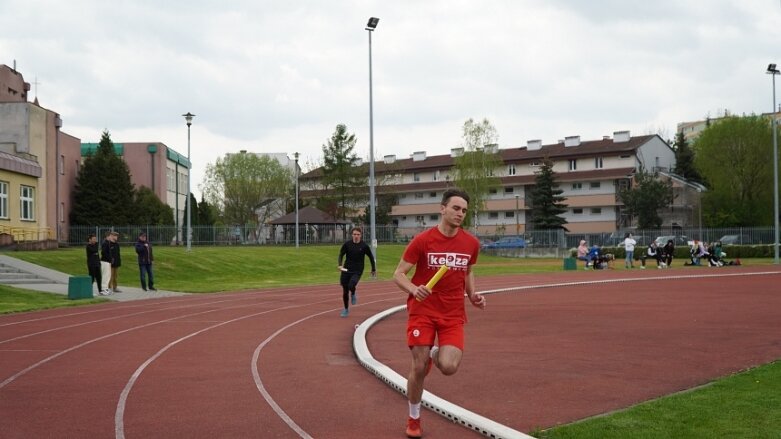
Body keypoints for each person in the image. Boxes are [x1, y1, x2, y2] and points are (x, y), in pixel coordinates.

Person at [392, 188, 486, 439]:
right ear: (442, 208)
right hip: (422, 311)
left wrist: (473, 295)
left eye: (464, 210)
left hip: (453, 314)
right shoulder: (423, 240)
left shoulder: (471, 243)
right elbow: (398, 274)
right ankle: (414, 418)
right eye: (456, 208)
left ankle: (436, 353)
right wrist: (415, 289)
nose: (460, 214)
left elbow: (467, 271)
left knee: (449, 365)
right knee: (419, 365)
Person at [337, 227, 376, 317]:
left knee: (351, 285)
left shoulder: (364, 246)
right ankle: (346, 309)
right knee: (345, 291)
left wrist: (373, 269)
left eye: (358, 234)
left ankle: (353, 293)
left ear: (360, 235)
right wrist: (340, 264)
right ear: (352, 235)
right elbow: (341, 254)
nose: (356, 236)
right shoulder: (347, 244)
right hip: (346, 270)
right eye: (354, 234)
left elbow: (370, 257)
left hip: (357, 270)